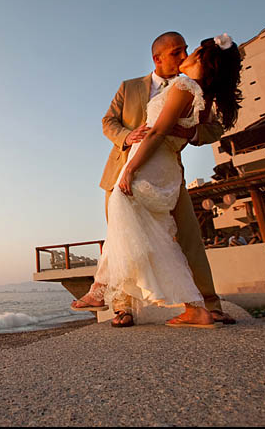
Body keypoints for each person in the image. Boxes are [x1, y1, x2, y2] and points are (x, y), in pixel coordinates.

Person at [72, 33, 242, 327]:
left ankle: (208, 304)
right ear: (158, 58)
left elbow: (210, 130)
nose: (183, 56)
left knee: (189, 240)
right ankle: (121, 307)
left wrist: (184, 133)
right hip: (122, 169)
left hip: (164, 172)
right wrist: (127, 136)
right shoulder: (130, 87)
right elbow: (108, 121)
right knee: (124, 236)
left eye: (187, 51)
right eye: (177, 52)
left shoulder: (194, 85)